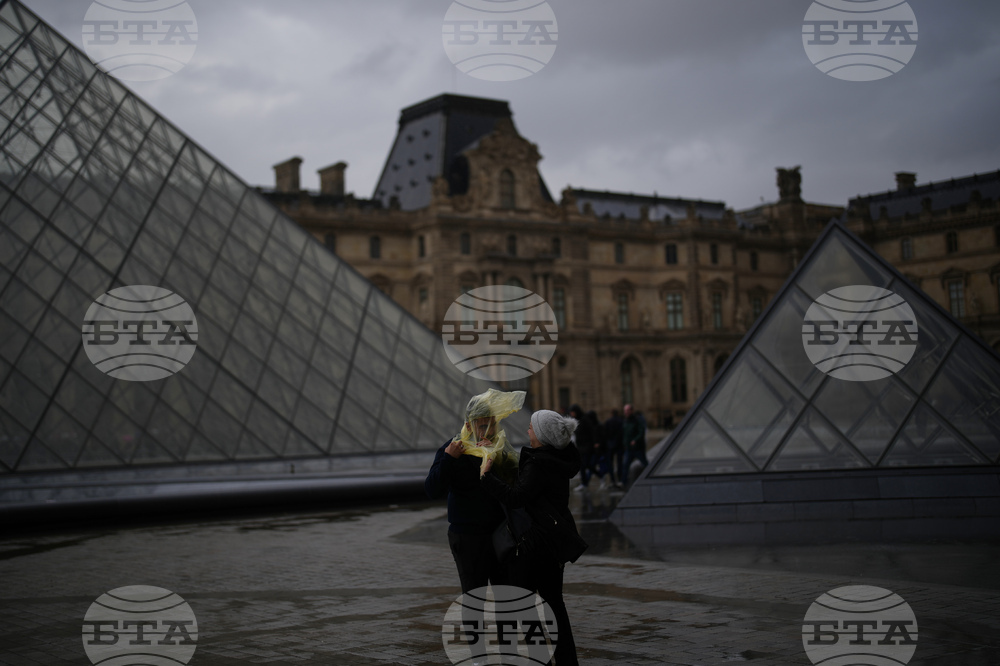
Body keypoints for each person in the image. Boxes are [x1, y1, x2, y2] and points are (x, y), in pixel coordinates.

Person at [480, 410, 582, 666]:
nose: (527, 430)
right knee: (555, 606)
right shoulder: (558, 459)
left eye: (532, 427)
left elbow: (517, 497)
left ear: (543, 435)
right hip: (553, 543)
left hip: (533, 545)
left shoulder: (539, 464)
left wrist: (486, 476)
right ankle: (568, 661)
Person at [424, 389, 523, 593]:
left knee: (506, 597)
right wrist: (449, 459)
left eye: (493, 424)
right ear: (469, 425)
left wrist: (494, 459)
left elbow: (518, 486)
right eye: (484, 425)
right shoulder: (452, 450)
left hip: (500, 534)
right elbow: (432, 489)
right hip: (467, 536)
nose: (490, 431)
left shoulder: (500, 450)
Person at [568, 404, 597, 492]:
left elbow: (591, 432)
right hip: (581, 447)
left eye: (572, 412)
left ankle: (588, 481)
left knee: (585, 465)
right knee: (583, 466)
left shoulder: (584, 420)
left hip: (587, 446)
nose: (571, 414)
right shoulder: (576, 421)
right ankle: (585, 483)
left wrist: (594, 443)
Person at [621, 403, 648, 486]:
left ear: (631, 411)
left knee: (644, 463)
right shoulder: (625, 421)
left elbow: (641, 432)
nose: (626, 412)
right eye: (625, 410)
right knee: (625, 465)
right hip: (629, 448)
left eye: (627, 410)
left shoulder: (637, 420)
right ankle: (623, 482)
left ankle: (651, 474)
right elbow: (624, 434)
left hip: (638, 448)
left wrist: (635, 440)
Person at [603, 409, 624, 488]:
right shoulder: (621, 421)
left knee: (610, 463)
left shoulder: (608, 421)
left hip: (610, 445)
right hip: (619, 445)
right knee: (619, 462)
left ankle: (612, 479)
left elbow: (605, 434)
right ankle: (620, 478)